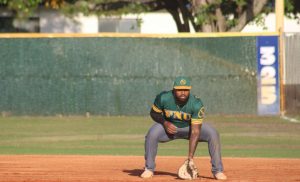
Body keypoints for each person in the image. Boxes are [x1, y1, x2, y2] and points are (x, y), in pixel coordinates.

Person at [140, 76, 227, 180]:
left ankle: (218, 171)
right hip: (169, 128)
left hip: (190, 128)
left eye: (186, 90)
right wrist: (164, 122)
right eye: (179, 89)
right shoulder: (163, 97)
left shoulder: (196, 103)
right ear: (174, 90)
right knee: (152, 134)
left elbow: (195, 131)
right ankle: (149, 168)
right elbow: (153, 113)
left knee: (212, 133)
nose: (183, 92)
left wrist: (190, 158)